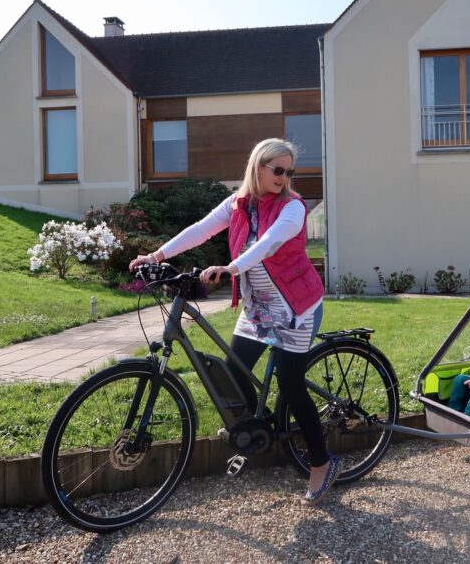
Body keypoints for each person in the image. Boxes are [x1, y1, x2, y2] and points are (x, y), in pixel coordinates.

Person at [128, 138, 339, 504]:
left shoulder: (293, 207)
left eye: (289, 171)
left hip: (296, 307)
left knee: (290, 383)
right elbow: (202, 228)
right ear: (258, 167)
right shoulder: (239, 204)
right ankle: (265, 427)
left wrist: (232, 267)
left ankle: (321, 462)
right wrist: (157, 253)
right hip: (259, 308)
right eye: (277, 170)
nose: (283, 177)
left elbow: (269, 244)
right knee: (234, 373)